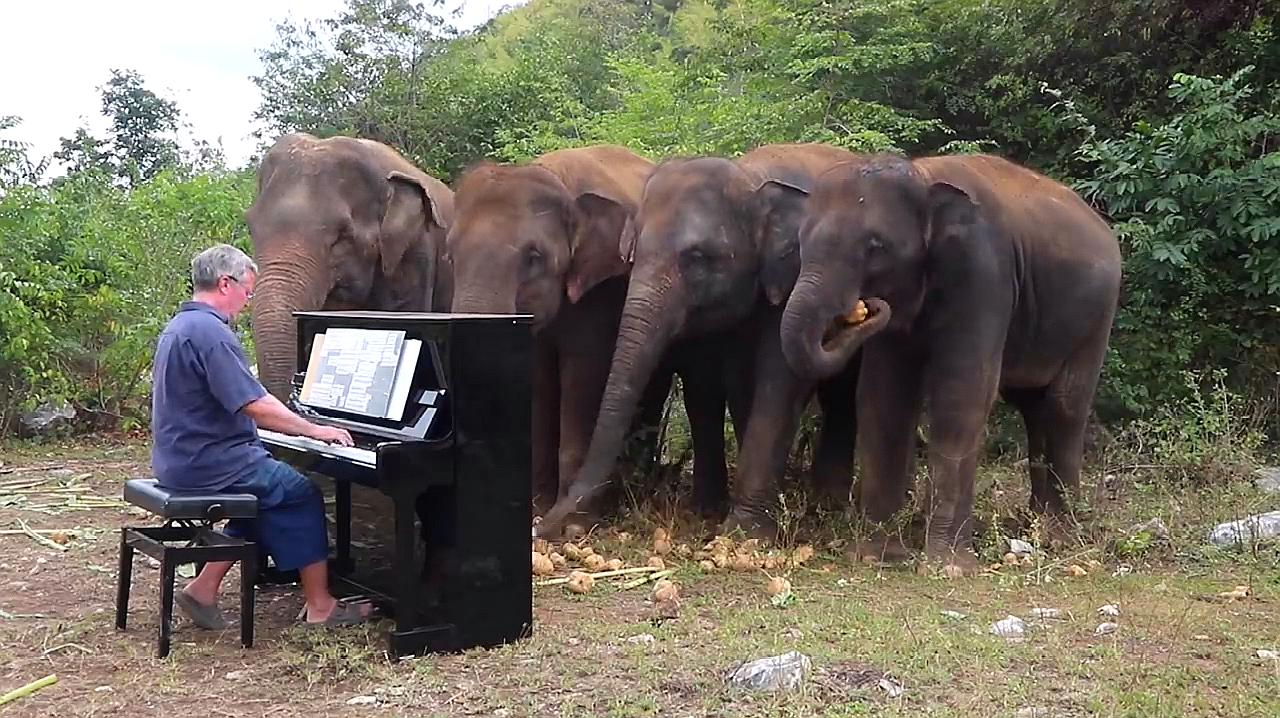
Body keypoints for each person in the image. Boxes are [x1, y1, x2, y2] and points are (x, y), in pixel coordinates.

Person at [150, 243, 372, 628]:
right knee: (300, 492)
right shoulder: (210, 333)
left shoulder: (182, 325)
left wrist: (295, 416)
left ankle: (202, 589)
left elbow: (252, 393)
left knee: (264, 497)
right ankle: (320, 605)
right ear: (224, 284)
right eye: (248, 292)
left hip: (181, 460)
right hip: (212, 462)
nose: (248, 302)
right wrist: (314, 429)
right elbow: (252, 406)